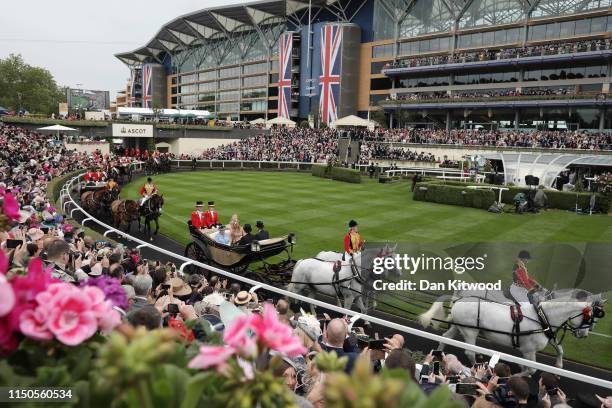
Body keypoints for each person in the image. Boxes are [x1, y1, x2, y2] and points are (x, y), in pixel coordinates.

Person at [509, 250, 551, 335]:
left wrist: (541, 288)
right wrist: (535, 292)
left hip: (522, 289)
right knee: (527, 307)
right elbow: (525, 282)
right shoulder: (519, 268)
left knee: (535, 302)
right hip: (517, 290)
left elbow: (529, 279)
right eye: (527, 259)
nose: (528, 261)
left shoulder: (522, 266)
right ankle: (521, 327)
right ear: (523, 259)